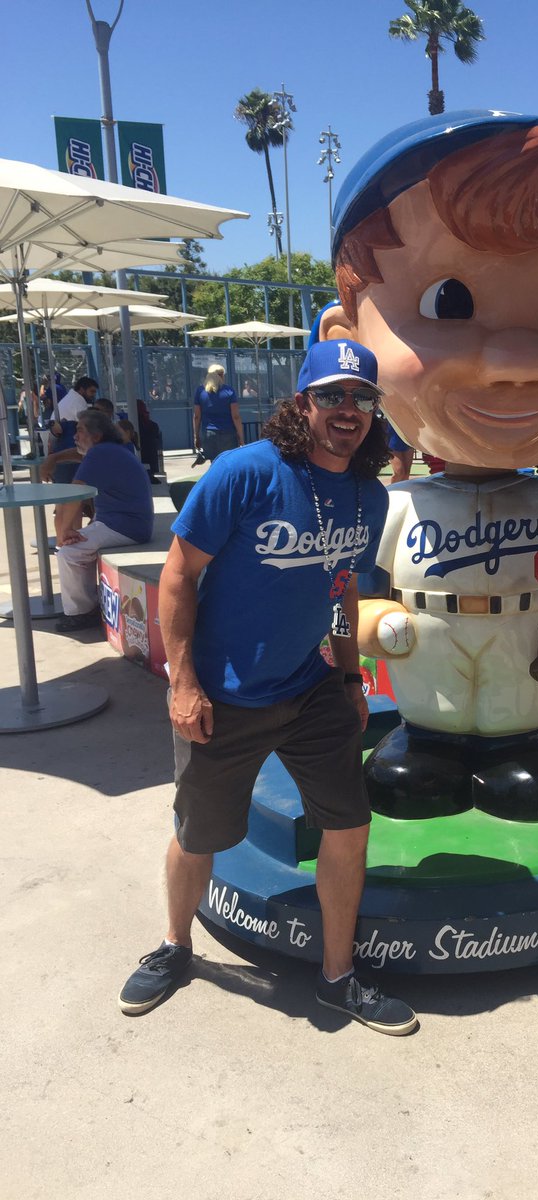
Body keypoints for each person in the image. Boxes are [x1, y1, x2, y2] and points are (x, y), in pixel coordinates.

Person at [318, 111, 538, 818]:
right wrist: (374, 620)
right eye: (449, 302)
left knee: (520, 754)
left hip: (523, 656)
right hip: (427, 652)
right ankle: (430, 748)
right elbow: (351, 591)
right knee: (419, 767)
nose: (519, 360)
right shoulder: (392, 506)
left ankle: (516, 749)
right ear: (346, 339)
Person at [117, 338, 418, 1036]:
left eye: (361, 398)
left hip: (312, 690)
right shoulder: (244, 472)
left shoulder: (369, 498)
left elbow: (343, 590)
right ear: (301, 402)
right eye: (332, 395)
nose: (348, 409)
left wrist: (348, 675)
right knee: (200, 835)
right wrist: (182, 683)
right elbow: (178, 575)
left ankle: (338, 978)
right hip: (224, 696)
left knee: (349, 827)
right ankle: (174, 946)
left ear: (375, 411)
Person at [53, 410, 154, 632]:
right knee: (74, 546)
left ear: (96, 436)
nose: (75, 436)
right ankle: (85, 604)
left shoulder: (100, 453)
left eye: (80, 431)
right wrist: (53, 459)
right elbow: (76, 455)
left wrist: (65, 530)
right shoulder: (112, 450)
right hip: (125, 522)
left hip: (125, 526)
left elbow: (76, 493)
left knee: (68, 552)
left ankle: (82, 612)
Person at [50, 375, 98, 482]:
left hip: (59, 444)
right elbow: (87, 424)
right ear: (81, 389)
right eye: (92, 391)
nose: (93, 395)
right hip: (67, 445)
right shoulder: (78, 401)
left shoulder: (70, 398)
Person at [192, 364, 243, 461]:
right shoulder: (229, 391)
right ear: (221, 375)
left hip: (209, 433)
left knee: (214, 462)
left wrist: (196, 436)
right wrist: (241, 437)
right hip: (228, 432)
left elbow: (197, 416)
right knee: (229, 462)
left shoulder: (200, 391)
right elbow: (235, 416)